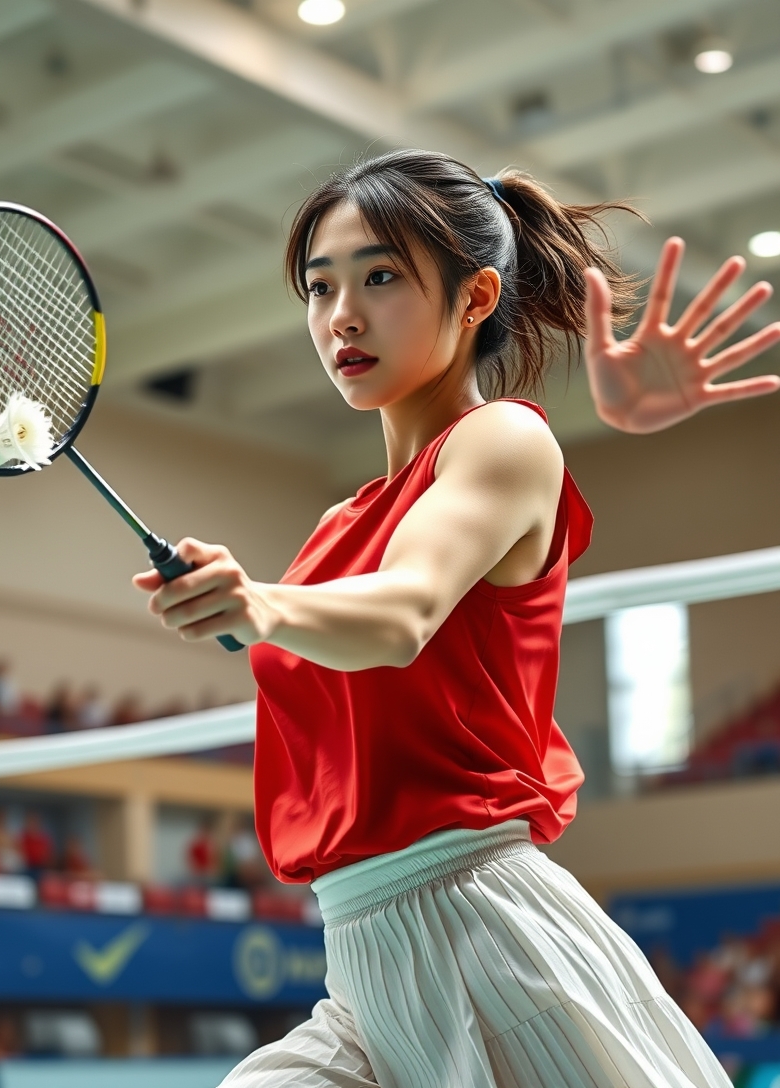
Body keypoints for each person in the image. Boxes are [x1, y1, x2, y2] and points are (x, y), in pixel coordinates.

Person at [134, 150, 780, 1087]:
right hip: (359, 966)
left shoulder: (504, 438)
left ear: (476, 297)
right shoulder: (335, 526)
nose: (341, 315)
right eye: (320, 288)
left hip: (489, 936)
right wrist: (240, 609)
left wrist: (262, 603)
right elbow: (330, 637)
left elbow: (404, 612)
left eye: (380, 277)